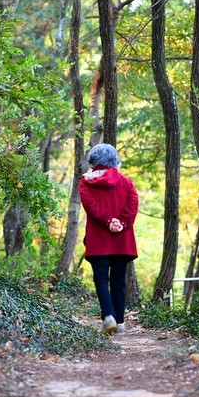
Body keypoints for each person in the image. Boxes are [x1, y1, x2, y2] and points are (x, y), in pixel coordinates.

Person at [79, 143, 139, 335]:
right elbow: (133, 203)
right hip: (122, 239)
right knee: (119, 280)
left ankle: (109, 317)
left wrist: (108, 221)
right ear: (114, 160)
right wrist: (121, 223)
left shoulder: (86, 181)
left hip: (99, 239)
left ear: (93, 161)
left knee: (101, 278)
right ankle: (120, 322)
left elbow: (90, 205)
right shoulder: (127, 182)